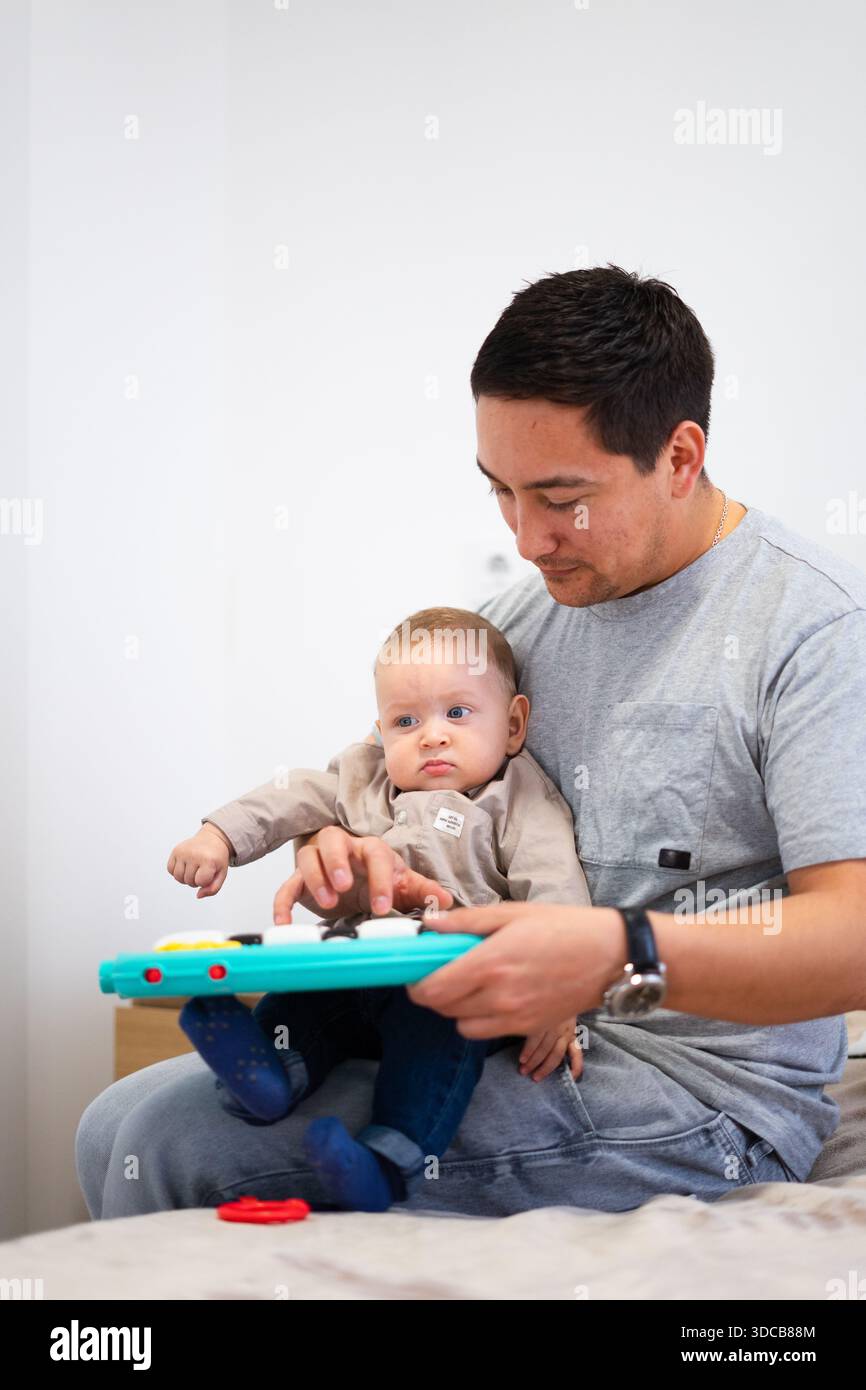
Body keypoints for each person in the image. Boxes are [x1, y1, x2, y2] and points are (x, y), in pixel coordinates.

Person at [76, 265, 866, 1221]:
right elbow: (380, 788)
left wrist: (617, 954)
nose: (528, 539)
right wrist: (354, 852)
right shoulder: (514, 626)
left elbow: (853, 931)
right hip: (486, 1033)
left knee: (173, 1147)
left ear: (682, 455)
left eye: (561, 496)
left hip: (698, 1090)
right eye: (501, 492)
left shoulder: (814, 632)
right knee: (109, 1120)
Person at [164, 607, 590, 1211]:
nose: (432, 735)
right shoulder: (364, 778)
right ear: (380, 732)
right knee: (307, 989)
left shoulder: (517, 799)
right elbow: (289, 795)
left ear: (514, 724)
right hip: (359, 964)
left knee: (439, 1041)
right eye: (405, 720)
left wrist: (561, 990)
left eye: (459, 713)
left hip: (455, 982)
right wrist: (219, 838)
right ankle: (267, 1073)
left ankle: (385, 1162)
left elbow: (558, 894)